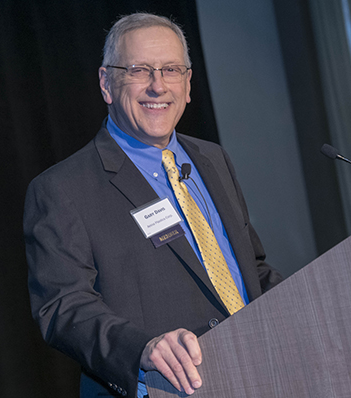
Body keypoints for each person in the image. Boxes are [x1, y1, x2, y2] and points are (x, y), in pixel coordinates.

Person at [24, 12, 283, 398]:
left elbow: (252, 270)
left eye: (171, 70)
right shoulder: (62, 189)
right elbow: (64, 309)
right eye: (139, 70)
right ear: (106, 84)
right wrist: (143, 348)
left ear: (188, 83)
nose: (158, 86)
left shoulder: (212, 159)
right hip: (164, 389)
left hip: (263, 373)